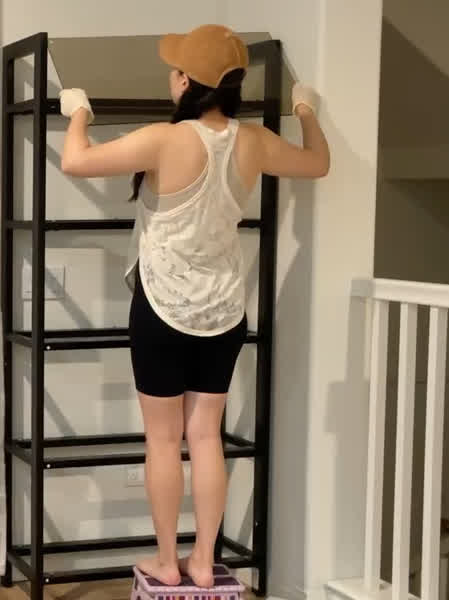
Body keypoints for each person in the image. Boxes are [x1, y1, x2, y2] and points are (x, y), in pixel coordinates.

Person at [59, 24, 329, 589]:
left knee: (163, 440)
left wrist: (78, 111)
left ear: (186, 81)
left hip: (162, 306)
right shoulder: (253, 141)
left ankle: (167, 560)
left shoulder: (166, 138)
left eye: (175, 69)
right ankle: (203, 561)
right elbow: (317, 163)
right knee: (206, 436)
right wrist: (305, 110)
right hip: (224, 311)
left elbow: (75, 161)